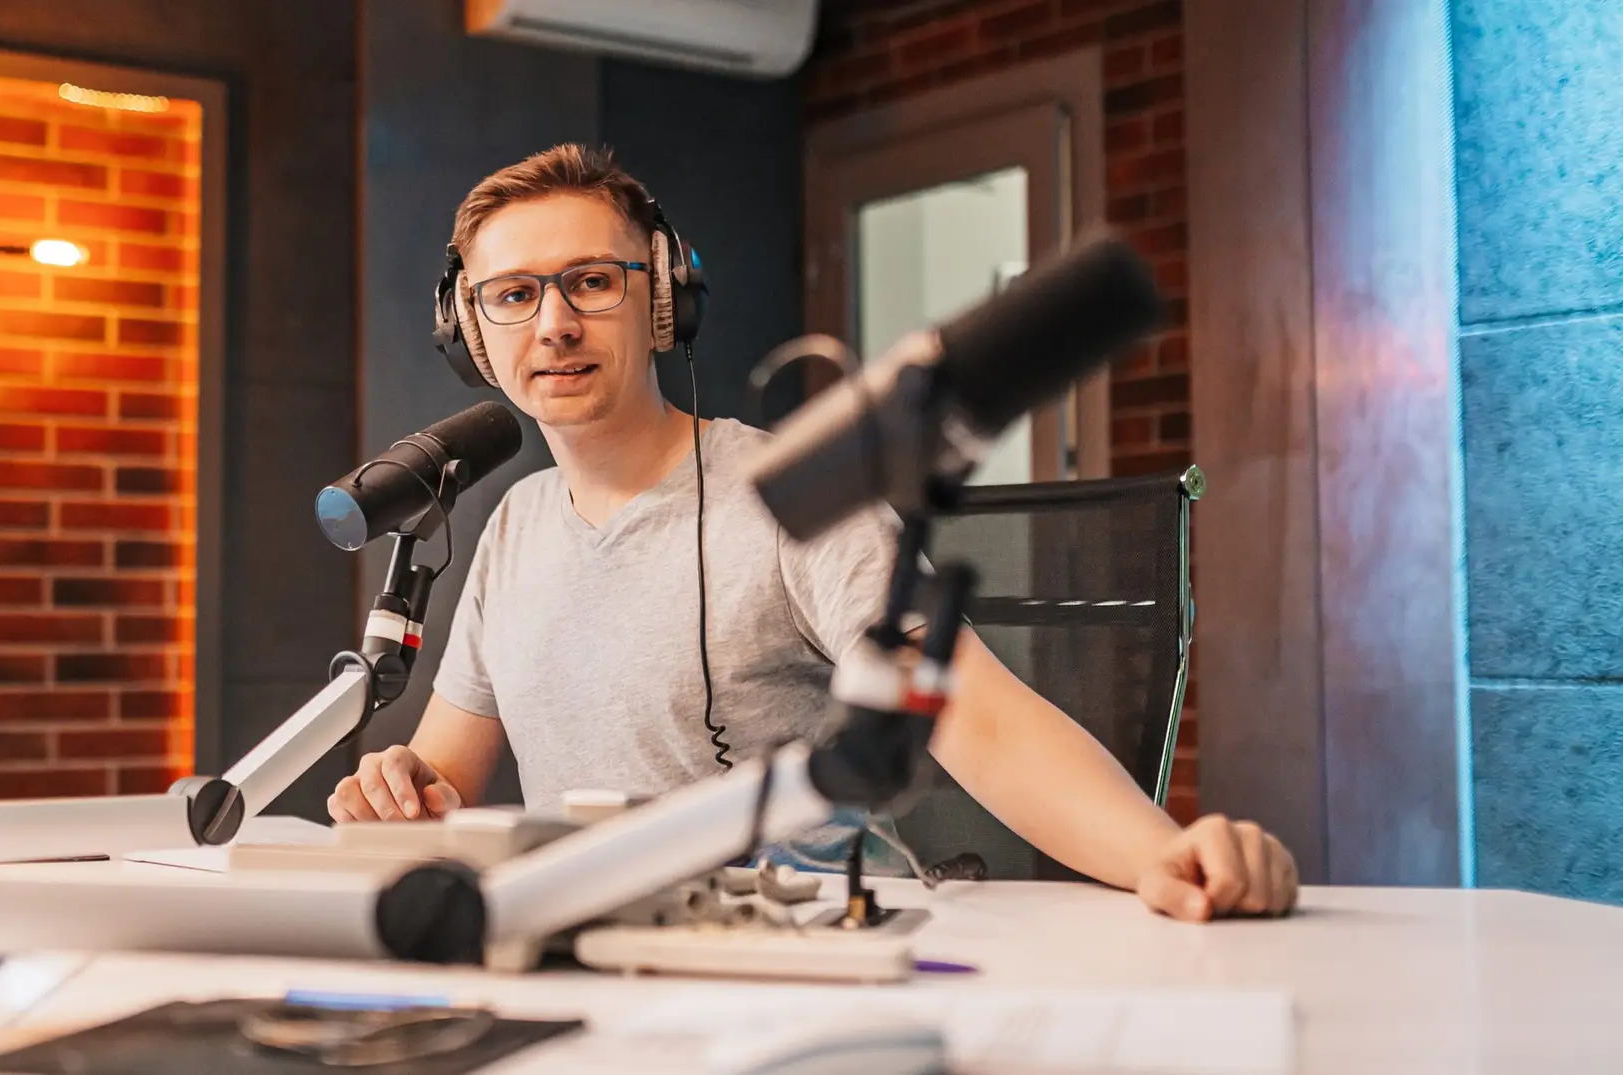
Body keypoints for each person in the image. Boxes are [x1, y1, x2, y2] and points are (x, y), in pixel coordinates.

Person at [329, 143, 1297, 922]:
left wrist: (1161, 853)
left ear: (660, 298)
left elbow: (971, 712)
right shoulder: (514, 529)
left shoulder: (791, 495)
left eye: (591, 281)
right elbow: (444, 778)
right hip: (597, 970)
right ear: (472, 329)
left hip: (791, 963)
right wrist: (398, 787)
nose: (554, 324)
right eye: (514, 294)